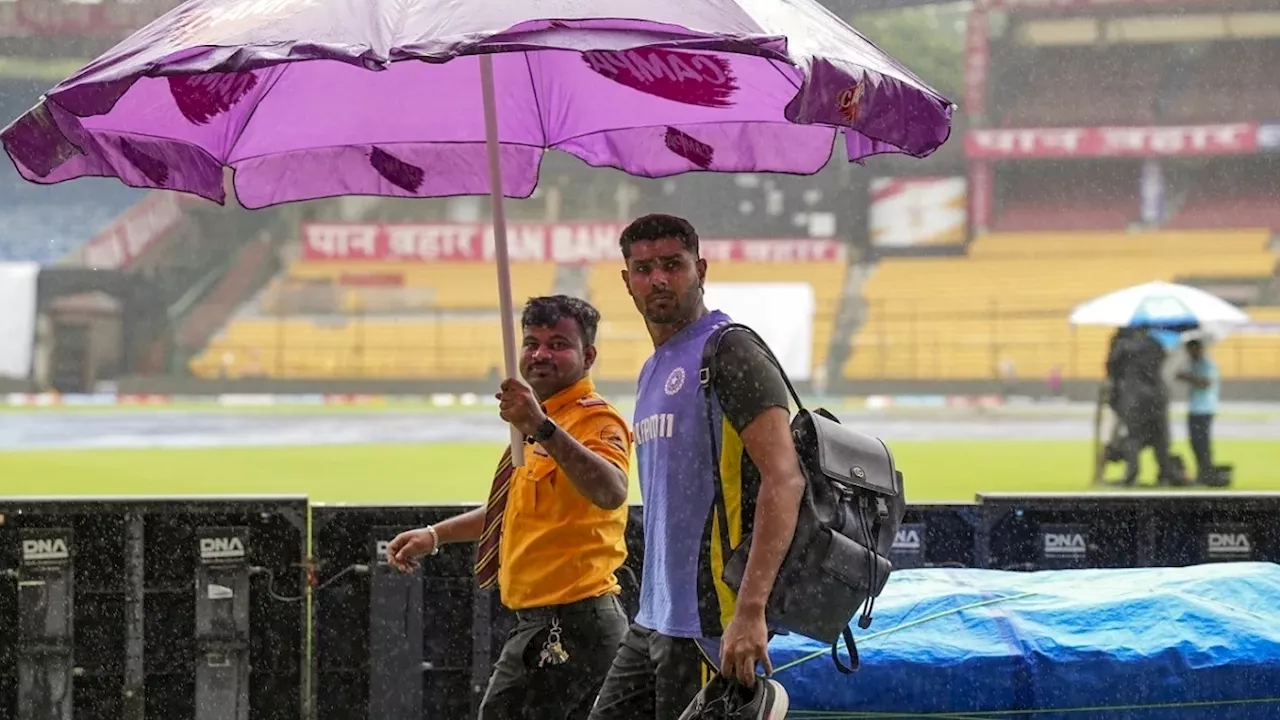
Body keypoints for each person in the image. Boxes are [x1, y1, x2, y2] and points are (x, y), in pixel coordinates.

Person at [589, 214, 803, 720]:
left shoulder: (731, 350)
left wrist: (751, 611)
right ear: (626, 281)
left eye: (672, 264)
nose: (658, 279)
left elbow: (784, 477)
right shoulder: (652, 367)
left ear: (700, 268)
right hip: (654, 618)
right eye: (643, 268)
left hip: (712, 620)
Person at [385, 295, 633, 720]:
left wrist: (539, 425)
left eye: (558, 344)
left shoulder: (592, 421)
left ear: (588, 356)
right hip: (541, 625)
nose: (539, 354)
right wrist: (436, 535)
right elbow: (510, 510)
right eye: (531, 342)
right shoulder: (538, 424)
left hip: (574, 627)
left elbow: (611, 490)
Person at [1111, 327, 1179, 485]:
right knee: (1160, 437)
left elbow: (1113, 369)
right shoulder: (1156, 343)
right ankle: (1164, 474)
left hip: (1135, 396)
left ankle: (1131, 475)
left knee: (1134, 437)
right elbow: (1160, 364)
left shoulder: (1123, 345)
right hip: (1157, 395)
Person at [1176, 337, 1218, 483]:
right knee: (1195, 442)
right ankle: (1203, 472)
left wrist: (1188, 377)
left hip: (1204, 409)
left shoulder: (1207, 364)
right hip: (1195, 408)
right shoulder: (1193, 363)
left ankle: (1207, 472)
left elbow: (1205, 382)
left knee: (1202, 443)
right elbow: (1179, 375)